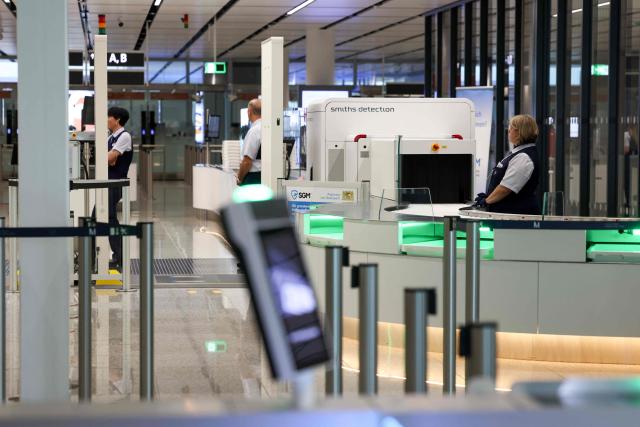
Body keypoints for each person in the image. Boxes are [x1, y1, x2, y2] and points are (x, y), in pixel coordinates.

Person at [474, 114, 540, 215]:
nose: (508, 132)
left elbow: (506, 188)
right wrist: (488, 197)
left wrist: (486, 201)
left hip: (515, 216)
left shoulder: (524, 157)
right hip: (507, 214)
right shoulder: (519, 153)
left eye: (511, 129)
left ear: (520, 132)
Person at [106, 106, 133, 268]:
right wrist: (110, 157)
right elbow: (109, 158)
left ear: (117, 120)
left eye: (109, 116)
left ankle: (119, 258)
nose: (106, 119)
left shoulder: (124, 136)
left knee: (104, 218)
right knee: (107, 219)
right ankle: (118, 257)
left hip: (115, 183)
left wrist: (110, 157)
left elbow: (109, 159)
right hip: (108, 182)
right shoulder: (111, 137)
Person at [236, 99, 261, 185]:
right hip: (265, 175)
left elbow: (247, 161)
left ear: (249, 112)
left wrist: (239, 178)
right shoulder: (268, 128)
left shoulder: (254, 131)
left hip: (253, 178)